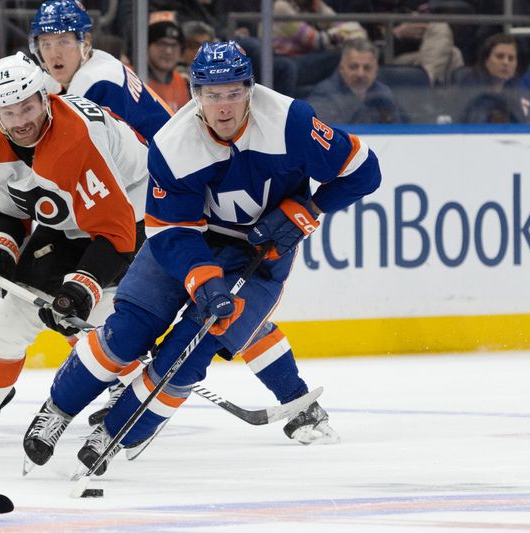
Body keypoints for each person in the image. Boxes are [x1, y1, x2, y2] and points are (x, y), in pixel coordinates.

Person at [22, 41, 381, 476]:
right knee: (128, 331)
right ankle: (57, 411)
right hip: (187, 245)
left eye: (233, 93)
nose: (223, 106)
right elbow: (172, 230)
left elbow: (364, 170)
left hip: (259, 256)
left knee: (187, 354)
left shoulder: (292, 122)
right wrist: (202, 278)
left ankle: (116, 435)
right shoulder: (174, 144)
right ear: (195, 94)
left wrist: (309, 209)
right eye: (212, 94)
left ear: (250, 89)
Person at [0, 51, 150, 457]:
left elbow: (115, 230)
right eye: (8, 111)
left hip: (138, 213)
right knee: (11, 316)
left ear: (46, 98)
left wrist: (80, 287)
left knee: (92, 314)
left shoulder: (76, 137)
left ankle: (131, 394)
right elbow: (7, 211)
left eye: (28, 106)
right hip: (72, 221)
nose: (21, 120)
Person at [28, 0, 172, 142]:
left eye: (63, 42)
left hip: (169, 160)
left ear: (86, 42)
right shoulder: (97, 61)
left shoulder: (96, 83)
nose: (54, 54)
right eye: (46, 44)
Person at [308, 38, 406, 124]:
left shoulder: (384, 94)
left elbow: (400, 130)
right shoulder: (324, 94)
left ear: (376, 70)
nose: (360, 74)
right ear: (341, 68)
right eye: (353, 67)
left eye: (367, 68)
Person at [452, 33, 528, 123]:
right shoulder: (469, 85)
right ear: (486, 60)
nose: (506, 62)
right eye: (500, 56)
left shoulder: (518, 90)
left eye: (511, 58)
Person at [146, 17, 191, 112]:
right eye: (162, 44)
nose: (168, 51)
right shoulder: (131, 77)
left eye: (174, 45)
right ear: (147, 46)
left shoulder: (183, 82)